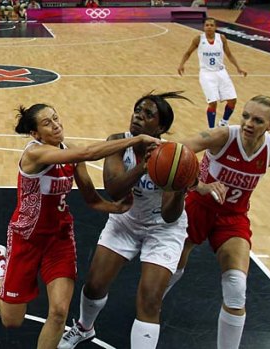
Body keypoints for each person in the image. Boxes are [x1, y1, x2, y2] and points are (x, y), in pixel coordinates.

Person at [0, 103, 161, 349]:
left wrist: (115, 208)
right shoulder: (35, 154)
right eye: (47, 123)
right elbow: (89, 153)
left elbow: (91, 198)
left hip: (60, 238)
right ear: (35, 134)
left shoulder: (70, 152)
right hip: (27, 237)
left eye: (56, 118)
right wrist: (134, 140)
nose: (56, 125)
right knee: (12, 321)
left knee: (60, 312)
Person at [58, 92, 225, 349]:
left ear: (160, 128)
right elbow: (114, 191)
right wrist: (143, 167)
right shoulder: (117, 142)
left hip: (163, 230)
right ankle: (84, 327)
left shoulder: (172, 156)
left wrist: (180, 187)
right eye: (138, 110)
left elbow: (171, 215)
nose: (139, 115)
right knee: (94, 285)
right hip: (125, 222)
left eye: (148, 114)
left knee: (149, 302)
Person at [164, 95, 270, 349]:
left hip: (233, 217)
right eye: (246, 116)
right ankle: (149, 308)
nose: (249, 123)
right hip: (199, 206)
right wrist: (199, 184)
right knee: (170, 270)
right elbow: (174, 153)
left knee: (237, 286)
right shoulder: (222, 136)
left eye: (258, 120)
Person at [178, 18, 247, 129]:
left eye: (211, 25)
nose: (209, 27)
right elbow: (187, 53)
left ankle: (223, 122)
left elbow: (229, 54)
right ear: (204, 27)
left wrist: (238, 68)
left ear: (215, 27)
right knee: (213, 102)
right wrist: (181, 64)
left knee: (233, 100)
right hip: (206, 74)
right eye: (207, 25)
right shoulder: (198, 39)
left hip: (221, 72)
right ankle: (211, 129)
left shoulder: (222, 38)